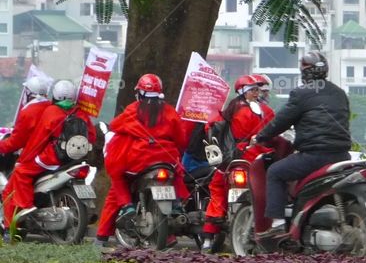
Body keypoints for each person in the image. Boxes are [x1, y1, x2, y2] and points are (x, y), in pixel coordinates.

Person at [253, 51, 351, 241]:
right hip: (342, 156)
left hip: (314, 156)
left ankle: (278, 224)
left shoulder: (301, 93)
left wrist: (261, 136)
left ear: (305, 72)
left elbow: (280, 121)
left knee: (275, 172)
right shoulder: (339, 93)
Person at [94, 74, 191, 247]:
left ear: (140, 93)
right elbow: (182, 140)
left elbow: (116, 125)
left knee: (118, 181)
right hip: (167, 160)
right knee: (176, 178)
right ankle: (175, 210)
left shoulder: (133, 109)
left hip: (138, 161)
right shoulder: (169, 111)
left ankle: (114, 221)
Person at [4, 80, 95, 231]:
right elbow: (91, 136)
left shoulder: (51, 112)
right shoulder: (81, 113)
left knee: (21, 172)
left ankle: (26, 206)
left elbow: (38, 140)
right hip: (77, 158)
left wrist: (24, 160)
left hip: (52, 158)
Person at [201, 75, 274, 251]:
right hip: (263, 159)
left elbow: (212, 127)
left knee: (217, 187)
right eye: (254, 90)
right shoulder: (266, 111)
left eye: (257, 90)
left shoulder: (232, 110)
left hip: (237, 159)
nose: (257, 93)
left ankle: (209, 233)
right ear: (245, 92)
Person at [0, 77, 53, 224]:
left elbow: (16, 142)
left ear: (29, 93)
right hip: (54, 155)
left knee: (8, 191)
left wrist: (1, 145)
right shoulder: (51, 107)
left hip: (34, 155)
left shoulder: (29, 111)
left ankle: (12, 226)